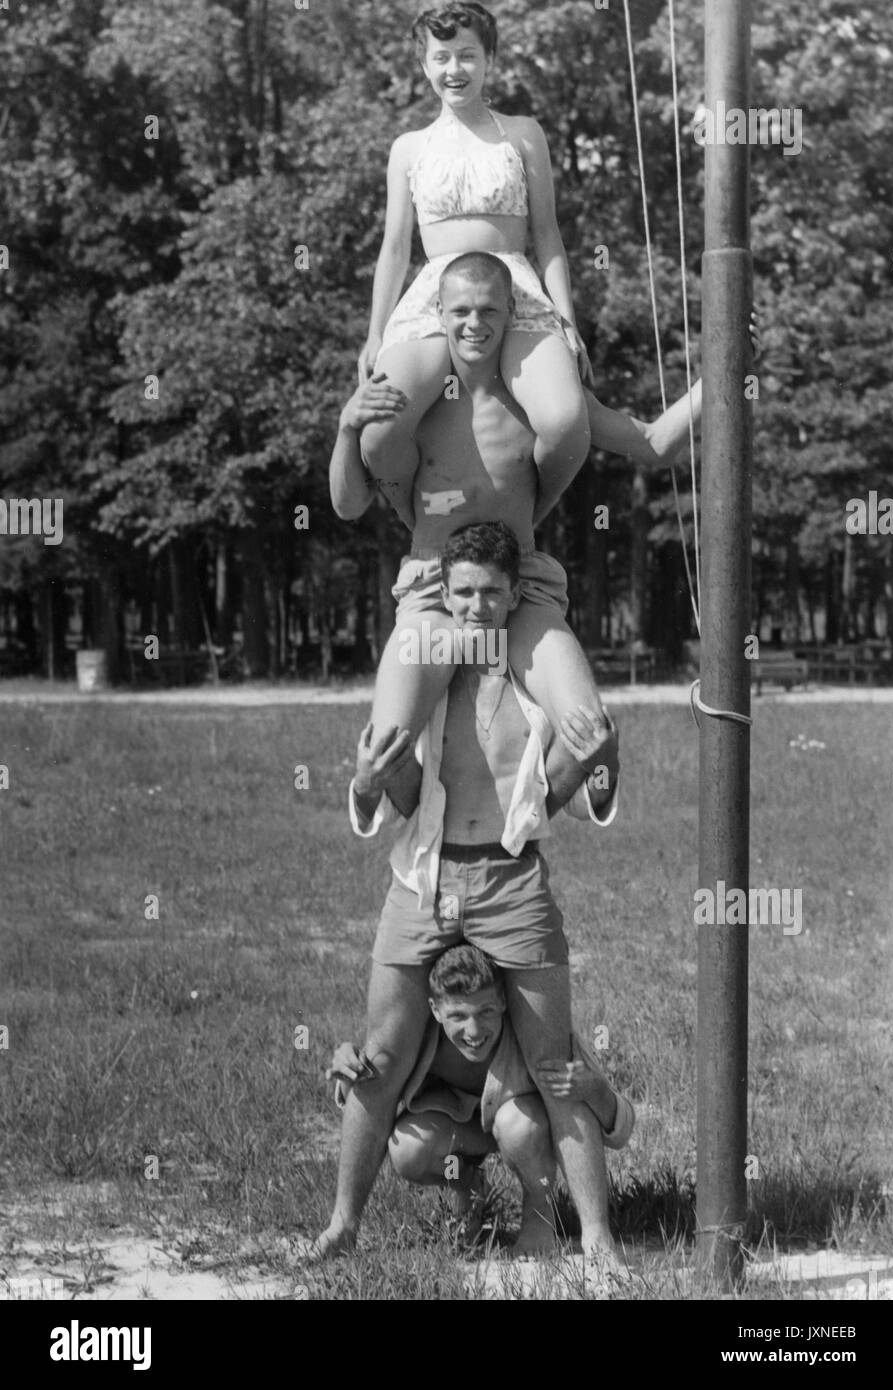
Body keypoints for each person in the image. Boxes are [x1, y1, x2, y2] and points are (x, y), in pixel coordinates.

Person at [302, 521, 624, 1266]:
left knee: (554, 1065)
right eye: (464, 592)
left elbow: (561, 799)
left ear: (516, 594)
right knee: (379, 1056)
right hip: (425, 874)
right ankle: (343, 1224)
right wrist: (367, 780)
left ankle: (594, 1235)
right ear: (443, 595)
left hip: (511, 879)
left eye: (492, 593)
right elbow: (407, 797)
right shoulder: (426, 675)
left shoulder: (534, 678)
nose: (478, 607)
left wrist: (598, 757)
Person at [331, 250, 701, 806]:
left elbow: (656, 443)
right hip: (434, 588)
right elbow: (347, 505)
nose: (474, 326)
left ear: (512, 313)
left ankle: (532, 822)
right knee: (383, 752)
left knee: (590, 731)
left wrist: (728, 364)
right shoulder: (407, 403)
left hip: (521, 585)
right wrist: (344, 429)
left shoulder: (537, 401)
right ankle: (370, 796)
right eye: (459, 312)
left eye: (489, 312)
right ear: (437, 310)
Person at [358, 2, 593, 521]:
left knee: (565, 422)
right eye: (441, 57)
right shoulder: (408, 148)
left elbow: (548, 235)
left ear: (489, 59)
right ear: (424, 65)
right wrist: (376, 333)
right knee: (377, 430)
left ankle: (526, 516)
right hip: (434, 295)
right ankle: (417, 521)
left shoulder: (523, 133)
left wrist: (568, 321)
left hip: (516, 292)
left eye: (467, 55)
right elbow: (395, 248)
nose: (454, 70)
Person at [328, 943, 635, 1257]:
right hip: (461, 1136)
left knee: (519, 1125)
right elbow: (376, 1091)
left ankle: (539, 1216)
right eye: (458, 1015)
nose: (473, 1030)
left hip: (525, 1133)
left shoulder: (537, 1034)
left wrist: (594, 1089)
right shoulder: (415, 1039)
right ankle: (466, 1183)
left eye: (485, 1011)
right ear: (435, 1009)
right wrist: (350, 1069)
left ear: (503, 1000)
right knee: (409, 1151)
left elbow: (622, 1129)